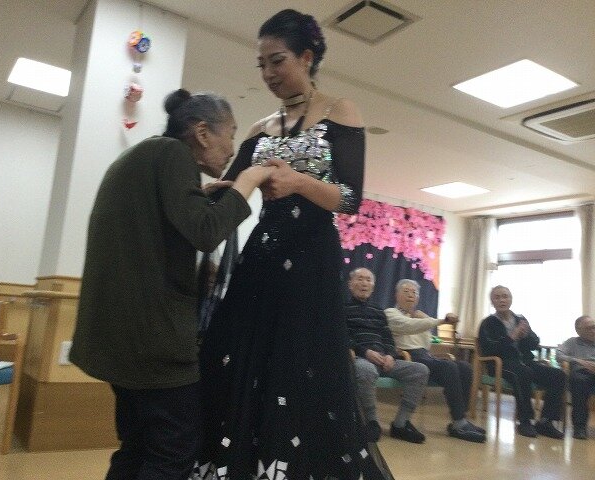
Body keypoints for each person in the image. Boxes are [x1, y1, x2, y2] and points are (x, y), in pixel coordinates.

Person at [196, 9, 393, 480]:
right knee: (245, 357)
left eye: (277, 61)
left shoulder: (340, 110)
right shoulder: (259, 128)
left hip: (311, 259)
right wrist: (205, 188)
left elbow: (350, 198)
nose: (268, 74)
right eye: (261, 64)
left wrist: (300, 182)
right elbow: (232, 186)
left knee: (300, 363)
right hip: (261, 257)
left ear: (306, 57)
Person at [69, 89, 273, 480]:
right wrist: (247, 181)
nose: (233, 148)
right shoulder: (173, 154)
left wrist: (201, 197)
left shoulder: (143, 155)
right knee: (173, 453)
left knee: (135, 448)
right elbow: (205, 231)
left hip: (120, 338)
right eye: (230, 134)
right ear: (202, 133)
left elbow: (154, 233)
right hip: (153, 344)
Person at [385, 279, 486, 443]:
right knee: (448, 367)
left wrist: (424, 318)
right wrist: (440, 321)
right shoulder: (390, 313)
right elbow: (408, 326)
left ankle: (461, 419)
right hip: (408, 357)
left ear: (418, 298)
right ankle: (459, 423)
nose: (411, 295)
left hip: (425, 355)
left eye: (414, 293)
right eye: (406, 291)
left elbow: (426, 344)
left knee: (465, 367)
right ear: (396, 295)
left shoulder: (419, 317)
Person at [346, 268, 429, 444]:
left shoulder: (378, 311)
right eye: (359, 279)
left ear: (373, 286)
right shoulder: (342, 309)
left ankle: (401, 424)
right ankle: (371, 422)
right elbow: (344, 338)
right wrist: (366, 352)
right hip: (360, 358)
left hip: (385, 360)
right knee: (366, 370)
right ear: (350, 284)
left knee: (420, 370)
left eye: (368, 280)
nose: (364, 283)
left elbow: (388, 338)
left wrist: (391, 355)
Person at [479, 285, 566, 439]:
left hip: (525, 362)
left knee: (558, 375)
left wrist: (526, 336)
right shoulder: (488, 323)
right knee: (523, 373)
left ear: (511, 299)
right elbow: (489, 349)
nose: (502, 300)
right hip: (501, 363)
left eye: (505, 296)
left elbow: (534, 344)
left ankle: (546, 422)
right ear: (492, 302)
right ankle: (525, 421)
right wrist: (511, 337)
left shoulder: (520, 320)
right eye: (497, 297)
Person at [556, 315, 595, 439]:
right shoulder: (572, 342)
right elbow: (559, 355)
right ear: (578, 330)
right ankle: (579, 427)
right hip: (581, 374)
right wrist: (578, 361)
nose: (593, 331)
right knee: (578, 382)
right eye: (589, 328)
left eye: (594, 327)